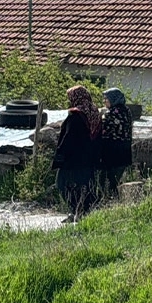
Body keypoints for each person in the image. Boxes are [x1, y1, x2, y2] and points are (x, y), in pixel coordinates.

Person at [52, 85, 102, 223]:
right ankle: (85, 212)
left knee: (62, 183)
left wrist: (60, 157)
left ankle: (76, 211)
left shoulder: (76, 115)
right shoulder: (93, 112)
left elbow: (69, 138)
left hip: (73, 159)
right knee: (85, 185)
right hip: (90, 157)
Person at [99, 87, 133, 198]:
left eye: (106, 99)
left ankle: (107, 204)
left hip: (112, 153)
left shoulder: (111, 114)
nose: (104, 101)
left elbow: (102, 130)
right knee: (114, 182)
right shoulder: (127, 111)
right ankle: (113, 204)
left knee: (106, 183)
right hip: (125, 152)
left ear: (113, 99)